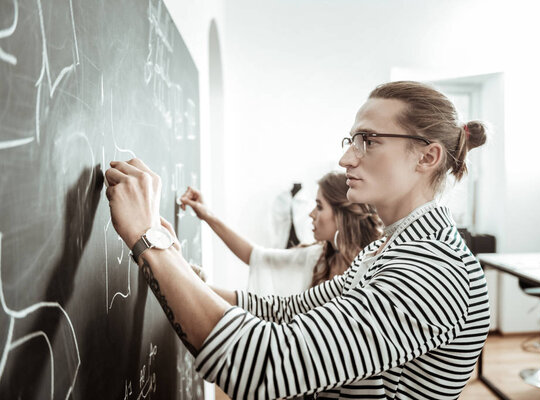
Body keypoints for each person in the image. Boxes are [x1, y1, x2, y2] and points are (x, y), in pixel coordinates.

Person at [105, 80, 490, 399]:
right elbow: (287, 311)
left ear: (427, 157)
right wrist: (174, 264)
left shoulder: (434, 268)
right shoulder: (386, 249)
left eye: (368, 141)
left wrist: (151, 242)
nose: (346, 159)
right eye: (351, 140)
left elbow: (264, 365)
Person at [177, 172, 383, 296]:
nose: (311, 214)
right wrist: (207, 215)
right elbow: (255, 256)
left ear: (341, 215)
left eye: (319, 206)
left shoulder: (375, 265)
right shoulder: (316, 258)